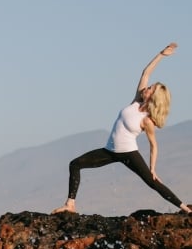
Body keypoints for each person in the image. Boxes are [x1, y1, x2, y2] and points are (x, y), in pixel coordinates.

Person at [52, 42, 192, 215]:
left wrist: (153, 168)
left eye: (150, 89)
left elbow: (154, 145)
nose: (146, 88)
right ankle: (70, 204)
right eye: (149, 87)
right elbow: (146, 72)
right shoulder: (136, 101)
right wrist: (161, 55)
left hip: (128, 153)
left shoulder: (147, 121)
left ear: (153, 97)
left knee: (152, 182)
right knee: (75, 164)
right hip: (109, 151)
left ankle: (185, 207)